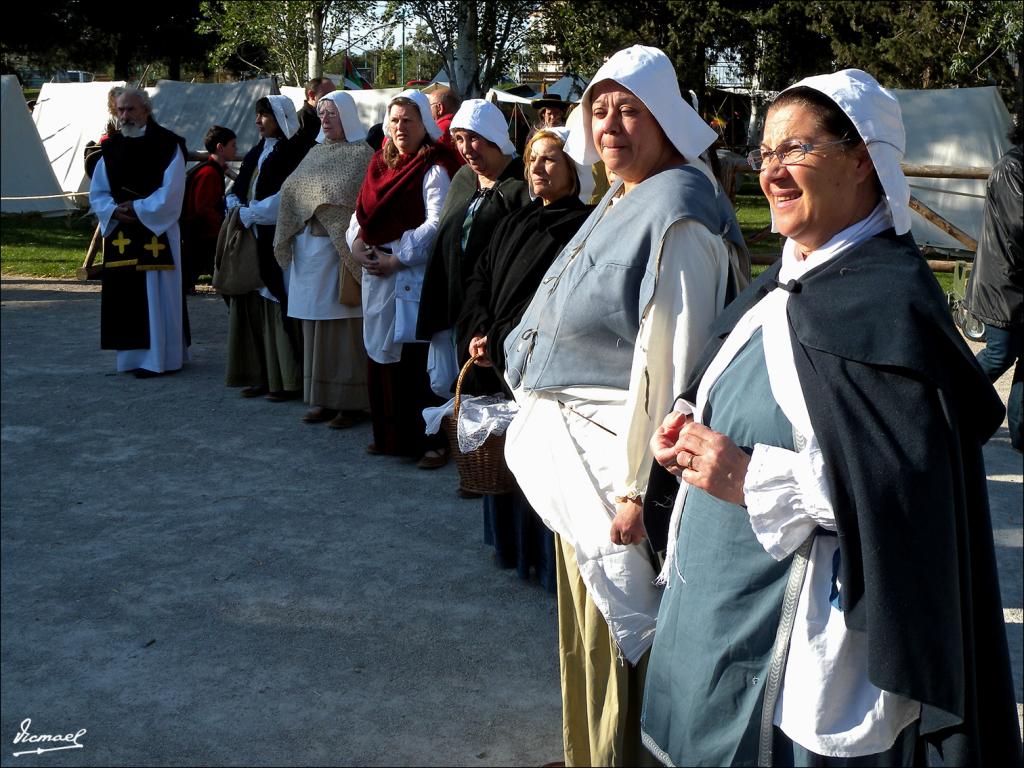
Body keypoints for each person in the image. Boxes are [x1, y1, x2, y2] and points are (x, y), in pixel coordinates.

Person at [641, 69, 1022, 767]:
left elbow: (914, 487)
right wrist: (687, 425)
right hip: (721, 610)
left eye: (797, 149)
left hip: (815, 635)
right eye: (765, 152)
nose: (773, 170)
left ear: (864, 160)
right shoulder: (782, 283)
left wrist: (751, 476)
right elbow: (737, 384)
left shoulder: (892, 306)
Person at [501, 46, 749, 767]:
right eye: (600, 108)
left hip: (614, 467)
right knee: (585, 620)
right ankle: (588, 750)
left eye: (630, 109)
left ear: (665, 120)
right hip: (578, 456)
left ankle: (616, 758)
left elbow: (665, 369)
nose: (610, 124)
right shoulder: (624, 194)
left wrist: (636, 487)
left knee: (620, 622)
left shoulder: (678, 211)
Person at [456, 126, 592, 589]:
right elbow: (481, 276)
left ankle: (541, 559)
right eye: (533, 159)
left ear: (573, 168)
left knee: (538, 460)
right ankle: (509, 547)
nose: (537, 168)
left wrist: (499, 341)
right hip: (495, 350)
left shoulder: (581, 228)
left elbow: (549, 300)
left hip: (533, 361)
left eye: (550, 159)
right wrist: (478, 328)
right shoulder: (515, 220)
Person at [346, 89, 462, 466]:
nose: (400, 127)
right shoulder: (380, 163)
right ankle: (389, 437)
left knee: (415, 361)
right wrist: (357, 245)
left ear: (423, 124)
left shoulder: (434, 166)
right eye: (394, 120)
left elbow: (437, 221)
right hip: (377, 277)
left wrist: (399, 257)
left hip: (412, 276)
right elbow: (361, 213)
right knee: (380, 354)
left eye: (408, 120)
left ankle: (429, 443)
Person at [417, 98, 532, 399]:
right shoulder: (464, 179)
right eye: (459, 139)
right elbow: (444, 242)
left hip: (496, 312)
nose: (467, 149)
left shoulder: (521, 186)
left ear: (494, 137)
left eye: (475, 138)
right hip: (457, 303)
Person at [274, 91, 373, 429]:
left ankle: (351, 401)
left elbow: (357, 199)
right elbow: (291, 192)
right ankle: (322, 398)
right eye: (322, 113)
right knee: (315, 328)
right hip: (309, 253)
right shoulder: (314, 153)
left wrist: (323, 207)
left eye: (332, 112)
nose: (326, 118)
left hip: (339, 253)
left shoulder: (363, 154)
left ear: (347, 115)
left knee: (343, 329)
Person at [89, 86, 189, 378]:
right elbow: (99, 189)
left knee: (157, 295)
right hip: (123, 232)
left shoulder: (168, 144)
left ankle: (161, 359)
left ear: (145, 109)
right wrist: (110, 210)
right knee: (127, 297)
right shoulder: (111, 148)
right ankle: (132, 359)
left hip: (156, 232)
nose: (125, 115)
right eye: (120, 110)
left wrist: (141, 208)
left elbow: (172, 192)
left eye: (131, 109)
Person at [225, 95, 310, 400]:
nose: (259, 121)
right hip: (254, 238)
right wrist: (235, 207)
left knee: (280, 304)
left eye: (265, 115)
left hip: (281, 241)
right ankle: (264, 375)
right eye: (258, 115)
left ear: (281, 117)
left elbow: (289, 198)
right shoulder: (257, 152)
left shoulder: (297, 151)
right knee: (256, 308)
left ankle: (289, 380)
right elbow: (236, 189)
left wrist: (250, 214)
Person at [965, 122, 1022, 451]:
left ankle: (1022, 434)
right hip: (1004, 282)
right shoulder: (1011, 168)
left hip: (1017, 282)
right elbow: (1019, 223)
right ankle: (945, 404)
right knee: (1000, 353)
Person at [180, 125, 237, 293]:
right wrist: (222, 225)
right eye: (232, 145)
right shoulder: (209, 173)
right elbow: (203, 207)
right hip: (203, 232)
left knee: (192, 270)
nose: (236, 149)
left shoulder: (211, 169)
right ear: (220, 147)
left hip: (201, 232)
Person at [427, 84, 465, 164]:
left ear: (439, 108)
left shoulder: (438, 130)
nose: (428, 111)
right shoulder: (465, 126)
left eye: (429, 106)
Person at [295, 76, 335, 145]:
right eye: (328, 95)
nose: (333, 99)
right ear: (312, 95)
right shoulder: (298, 122)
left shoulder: (335, 116)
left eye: (334, 95)